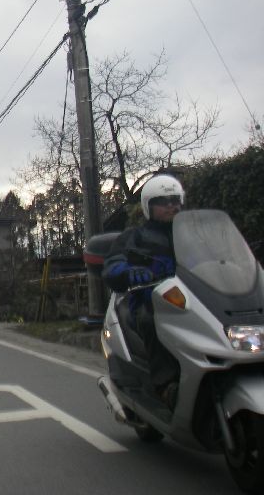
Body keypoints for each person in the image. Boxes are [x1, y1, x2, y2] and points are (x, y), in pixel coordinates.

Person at [102, 174, 184, 410]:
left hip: (192, 302)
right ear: (149, 205)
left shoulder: (194, 234)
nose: (170, 206)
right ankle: (166, 386)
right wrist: (128, 271)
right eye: (163, 201)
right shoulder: (135, 237)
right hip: (151, 303)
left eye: (174, 200)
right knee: (151, 321)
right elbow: (113, 264)